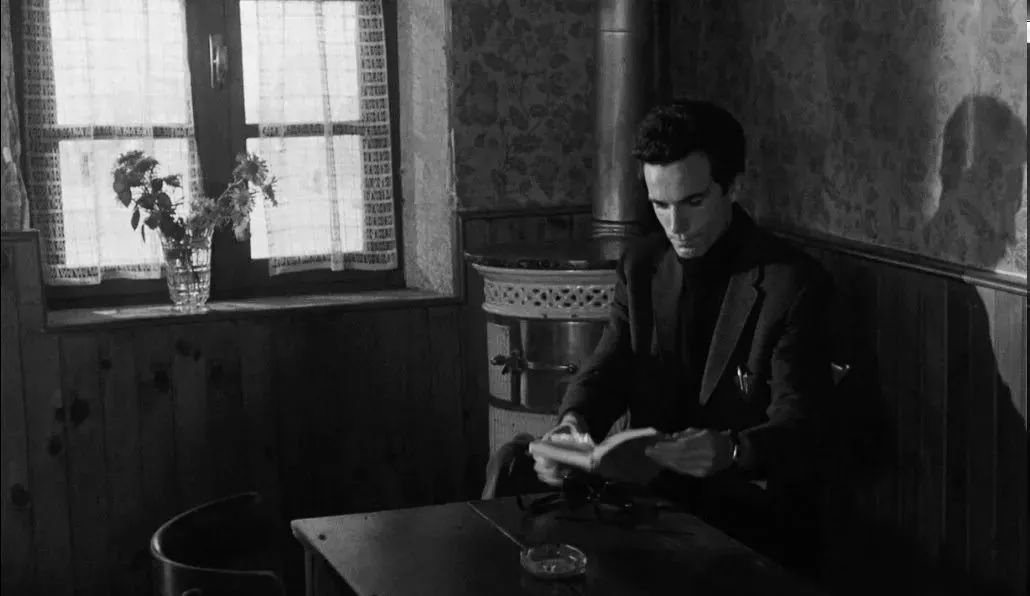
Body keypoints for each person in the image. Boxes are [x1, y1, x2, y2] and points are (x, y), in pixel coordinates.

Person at [532, 99, 835, 570]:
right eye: (660, 205)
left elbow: (803, 424)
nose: (677, 226)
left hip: (747, 520)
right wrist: (573, 424)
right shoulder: (641, 264)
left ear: (733, 187)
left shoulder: (791, 283)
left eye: (693, 202)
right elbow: (608, 369)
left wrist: (733, 450)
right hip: (648, 507)